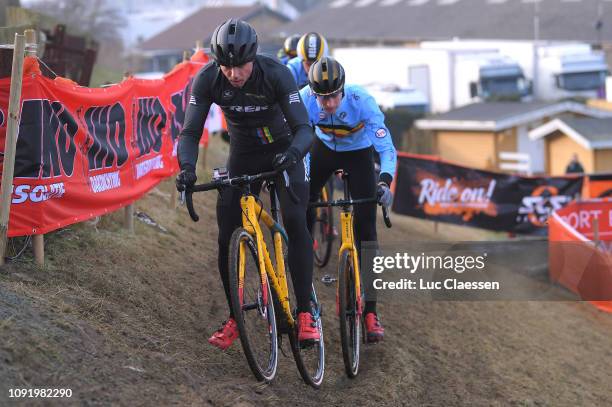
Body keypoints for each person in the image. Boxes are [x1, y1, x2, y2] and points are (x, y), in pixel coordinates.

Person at [176, 19, 318, 350]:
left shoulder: (276, 74)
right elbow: (190, 132)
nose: (233, 73)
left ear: (252, 58)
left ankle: (306, 312)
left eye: (239, 65)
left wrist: (293, 155)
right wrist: (187, 168)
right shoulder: (208, 78)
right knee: (227, 235)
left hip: (284, 150)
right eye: (226, 66)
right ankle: (234, 315)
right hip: (243, 154)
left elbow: (304, 129)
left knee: (296, 221)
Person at [300, 57, 397, 343]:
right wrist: (300, 180)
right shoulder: (304, 99)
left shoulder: (362, 101)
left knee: (366, 229)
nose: (328, 104)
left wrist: (385, 181)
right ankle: (304, 249)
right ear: (313, 92)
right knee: (304, 198)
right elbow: (300, 142)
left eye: (333, 96)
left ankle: (370, 312)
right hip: (323, 149)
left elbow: (386, 147)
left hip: (358, 154)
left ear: (342, 90)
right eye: (322, 97)